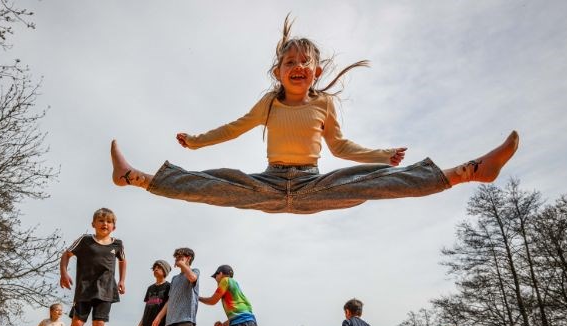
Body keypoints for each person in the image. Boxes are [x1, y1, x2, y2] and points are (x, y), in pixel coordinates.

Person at [110, 15, 518, 214]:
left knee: (376, 183)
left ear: (316, 72)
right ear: (278, 72)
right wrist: (197, 141)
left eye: (305, 61)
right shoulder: (268, 104)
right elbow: (234, 128)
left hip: (312, 186)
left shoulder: (323, 104)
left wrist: (380, 156)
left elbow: (339, 147)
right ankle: (134, 177)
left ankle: (466, 171)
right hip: (268, 184)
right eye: (289, 61)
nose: (297, 65)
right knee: (216, 185)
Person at [56, 208, 126, 326]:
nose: (105, 224)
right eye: (101, 221)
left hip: (106, 289)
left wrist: (122, 280)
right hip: (85, 288)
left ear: (114, 227)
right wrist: (64, 273)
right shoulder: (85, 240)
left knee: (99, 325)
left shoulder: (117, 244)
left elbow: (123, 261)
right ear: (93, 224)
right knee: (77, 323)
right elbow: (66, 255)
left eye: (109, 222)